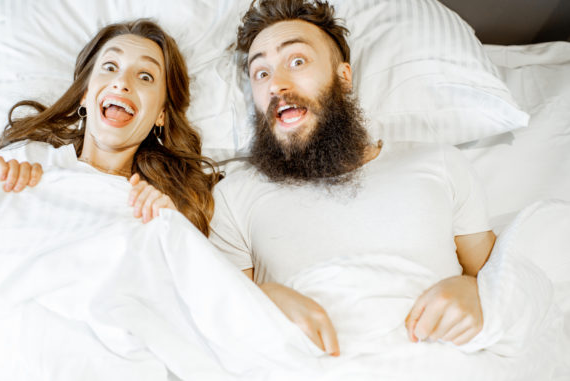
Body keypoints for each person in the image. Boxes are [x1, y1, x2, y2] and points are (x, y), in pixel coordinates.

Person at [209, 0, 496, 357]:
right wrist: (262, 303)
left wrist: (478, 293)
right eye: (261, 73)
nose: (276, 85)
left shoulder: (438, 162)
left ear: (343, 77)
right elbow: (216, 324)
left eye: (297, 61)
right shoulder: (234, 196)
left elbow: (502, 277)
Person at [0, 19, 220, 235]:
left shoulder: (164, 206)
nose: (121, 82)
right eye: (110, 67)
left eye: (145, 76)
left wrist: (174, 228)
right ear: (85, 94)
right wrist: (11, 189)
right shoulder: (31, 160)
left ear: (161, 115)